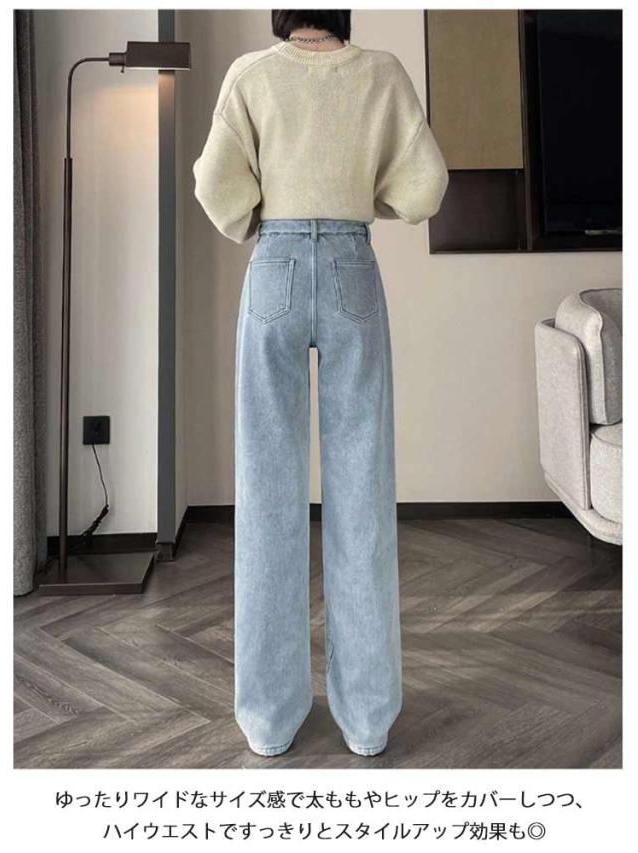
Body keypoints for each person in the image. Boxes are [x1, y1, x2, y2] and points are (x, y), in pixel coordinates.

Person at [192, 9, 449, 758]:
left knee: (266, 492)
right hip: (349, 267)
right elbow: (425, 187)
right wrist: (365, 198)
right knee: (362, 490)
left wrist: (261, 215)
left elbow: (215, 184)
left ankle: (269, 720)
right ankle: (367, 720)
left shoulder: (251, 74)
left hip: (273, 264)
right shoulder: (381, 73)